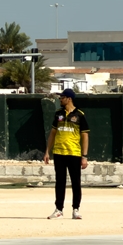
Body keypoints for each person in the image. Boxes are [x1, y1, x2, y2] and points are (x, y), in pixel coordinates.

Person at [43, 88, 90, 220]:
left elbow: (85, 136)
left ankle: (76, 209)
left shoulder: (80, 115)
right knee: (60, 182)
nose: (60, 99)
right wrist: (47, 151)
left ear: (69, 99)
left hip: (74, 153)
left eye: (62, 97)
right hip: (59, 152)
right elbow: (53, 133)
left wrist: (84, 156)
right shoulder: (58, 113)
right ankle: (59, 210)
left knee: (76, 182)